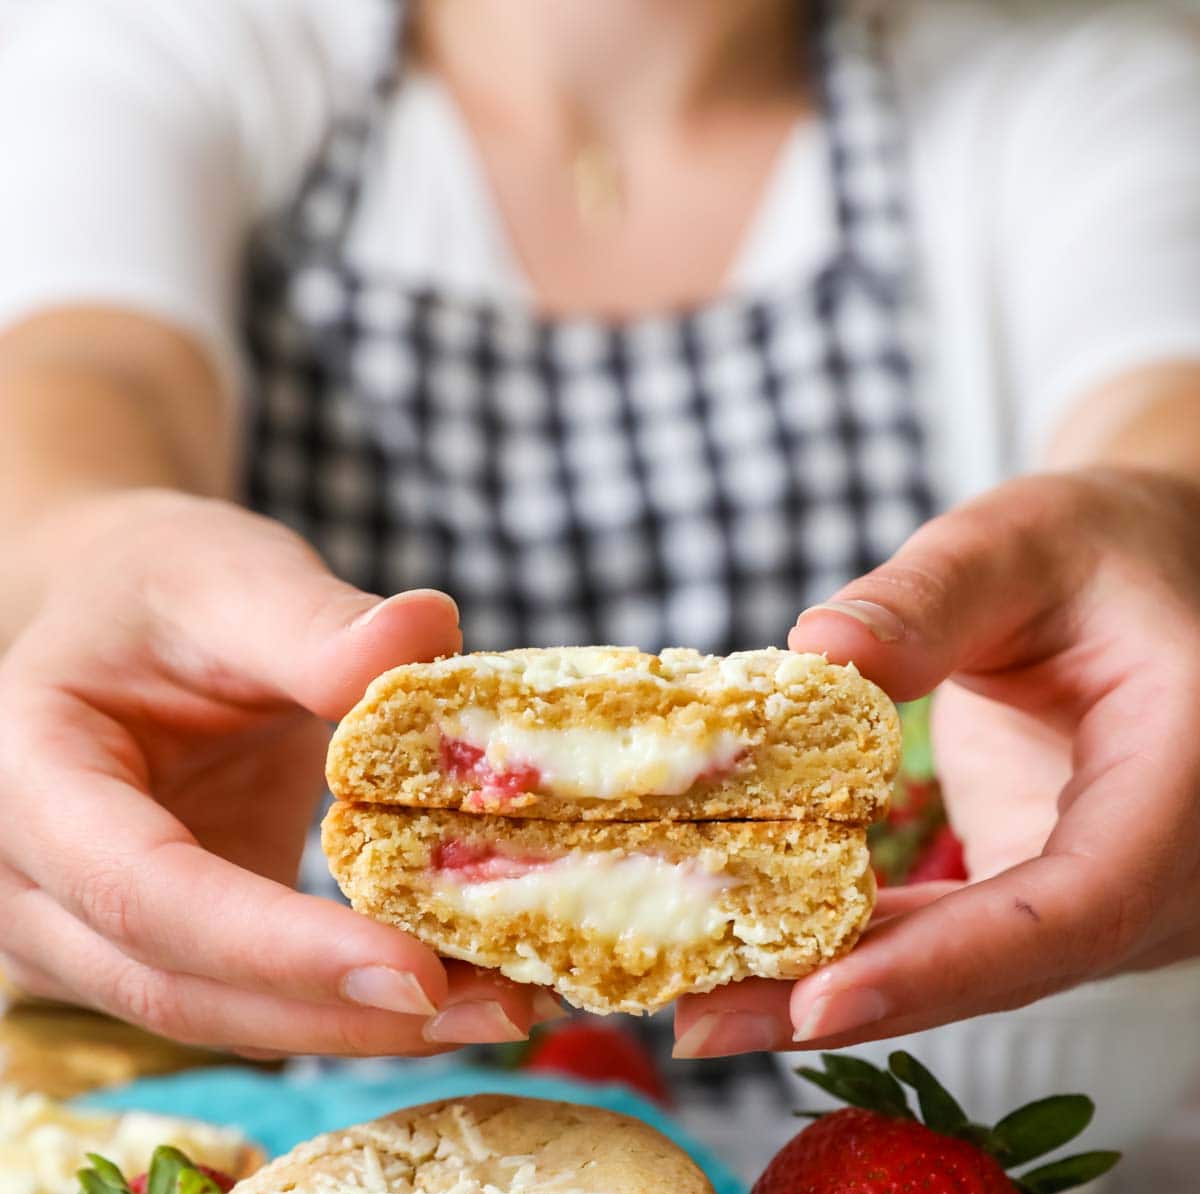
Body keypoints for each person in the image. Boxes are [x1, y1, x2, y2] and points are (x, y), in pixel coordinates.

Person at [0, 0, 1198, 1069]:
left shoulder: (1081, 91)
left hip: (889, 1122)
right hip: (342, 1117)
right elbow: (92, 374)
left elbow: (1160, 408)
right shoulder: (174, 46)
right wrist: (86, 546)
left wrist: (1164, 527)